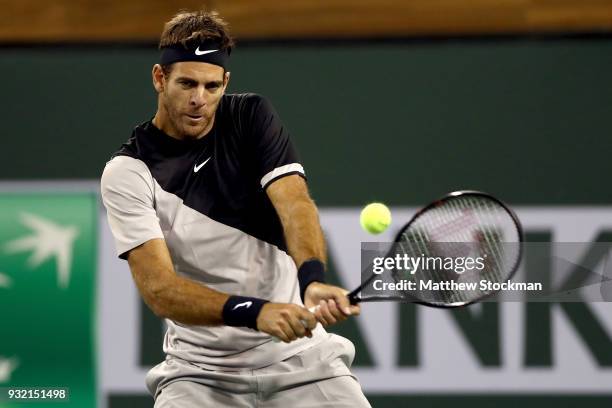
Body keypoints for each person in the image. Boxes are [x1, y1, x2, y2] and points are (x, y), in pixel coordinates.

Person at [100, 9, 371, 408]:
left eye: (212, 86)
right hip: (198, 374)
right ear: (160, 78)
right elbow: (159, 289)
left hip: (302, 362)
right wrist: (255, 312)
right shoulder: (128, 172)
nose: (199, 99)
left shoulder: (251, 118)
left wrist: (311, 278)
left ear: (225, 82)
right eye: (186, 84)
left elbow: (294, 203)